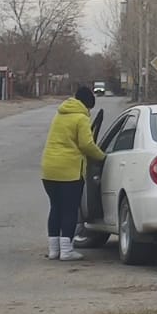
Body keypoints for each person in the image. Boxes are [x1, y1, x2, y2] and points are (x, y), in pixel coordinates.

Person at [41, 84, 105, 261]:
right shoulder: (81, 118)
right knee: (70, 210)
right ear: (87, 105)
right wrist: (102, 156)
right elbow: (86, 144)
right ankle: (67, 251)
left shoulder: (60, 115)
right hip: (69, 170)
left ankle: (54, 250)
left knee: (55, 207)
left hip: (49, 169)